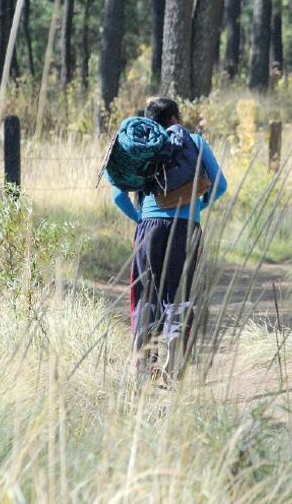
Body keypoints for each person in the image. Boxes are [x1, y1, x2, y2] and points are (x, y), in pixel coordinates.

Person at [109, 97, 228, 380]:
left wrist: (141, 218)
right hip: (186, 229)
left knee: (145, 294)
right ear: (175, 119)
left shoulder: (142, 148)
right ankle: (175, 345)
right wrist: (196, 208)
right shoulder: (196, 142)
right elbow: (220, 185)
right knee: (179, 293)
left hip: (149, 227)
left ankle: (144, 362)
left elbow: (118, 195)